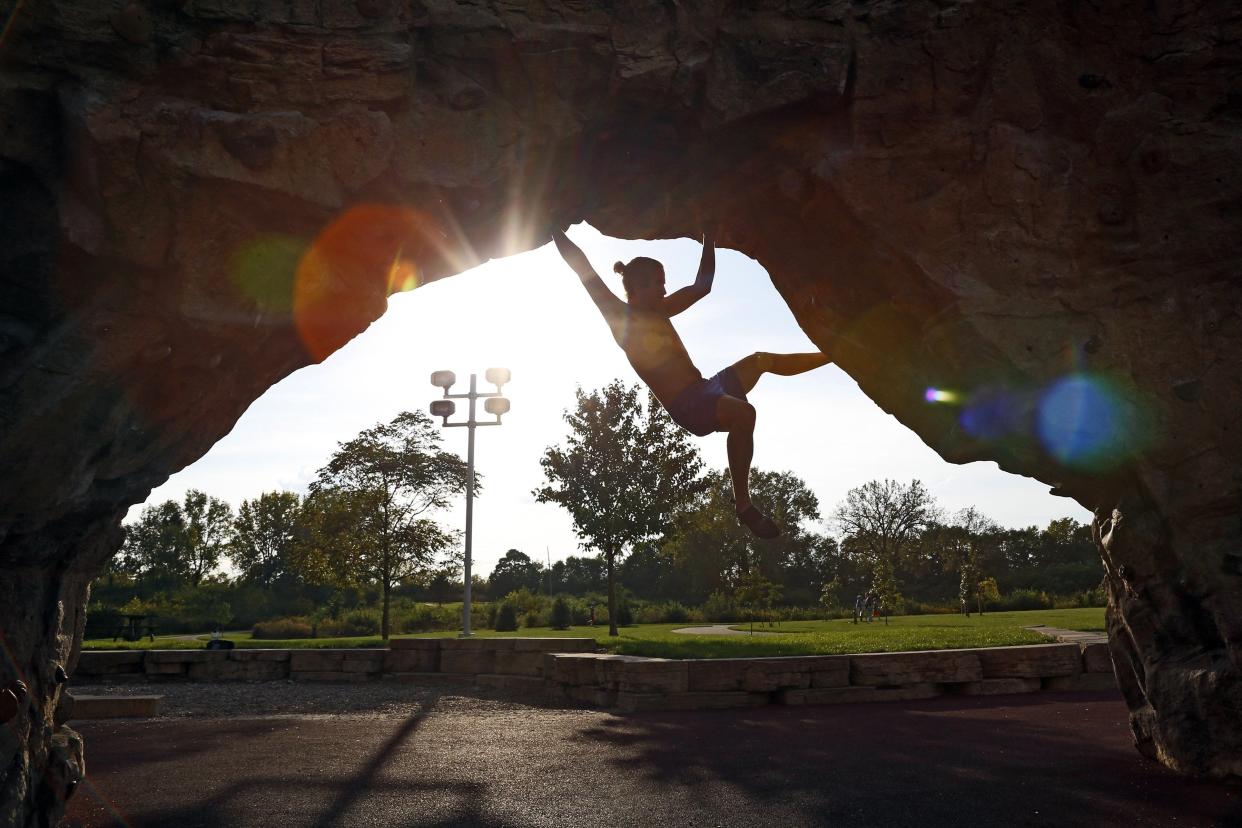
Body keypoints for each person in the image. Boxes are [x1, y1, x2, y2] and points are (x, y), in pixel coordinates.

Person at [552, 228, 830, 538]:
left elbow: (703, 286)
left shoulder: (661, 310)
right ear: (640, 286)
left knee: (761, 360)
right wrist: (554, 228)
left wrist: (707, 239)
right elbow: (582, 267)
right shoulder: (620, 316)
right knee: (744, 414)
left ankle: (832, 355)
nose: (665, 289)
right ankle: (744, 506)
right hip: (688, 405)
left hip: (706, 388)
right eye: (659, 283)